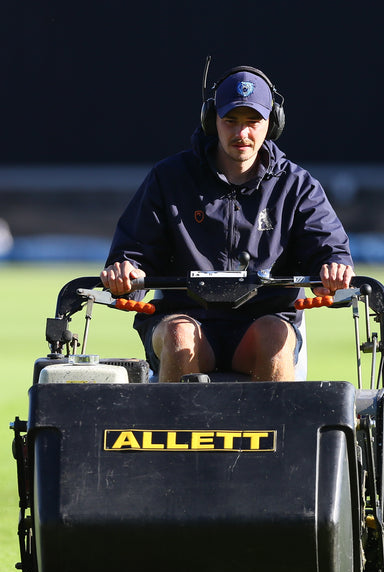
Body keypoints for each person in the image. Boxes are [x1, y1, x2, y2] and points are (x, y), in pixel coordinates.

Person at [101, 64, 354, 382]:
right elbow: (133, 254)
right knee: (180, 338)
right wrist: (126, 273)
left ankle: (275, 431)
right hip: (183, 320)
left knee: (274, 336)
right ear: (212, 120)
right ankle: (175, 430)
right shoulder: (169, 179)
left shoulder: (298, 186)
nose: (242, 133)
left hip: (266, 323)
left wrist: (333, 269)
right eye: (230, 120)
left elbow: (329, 250)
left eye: (253, 122)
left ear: (272, 123)